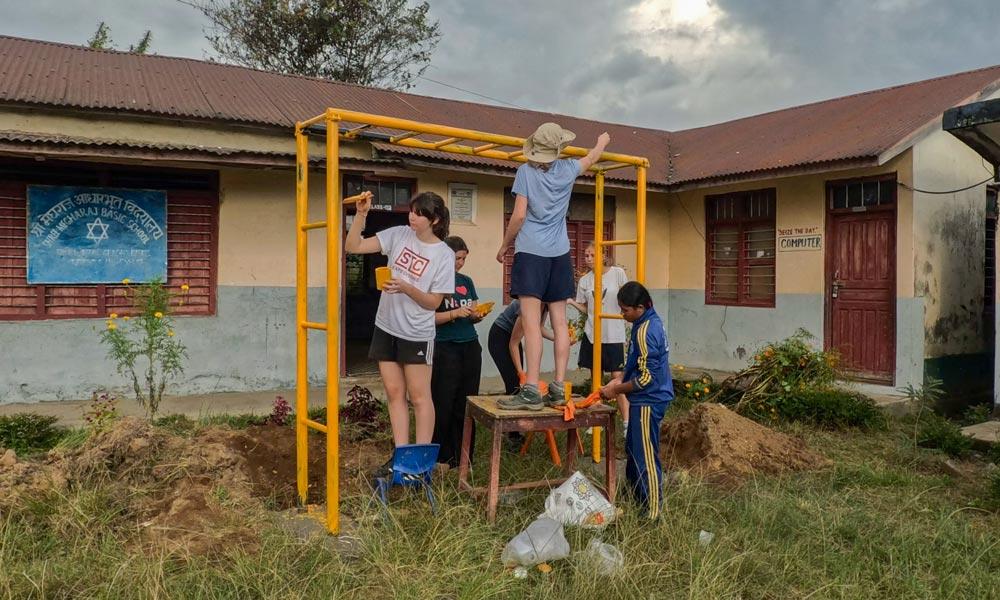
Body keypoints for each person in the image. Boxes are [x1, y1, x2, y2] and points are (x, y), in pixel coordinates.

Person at [496, 123, 611, 410]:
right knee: (559, 322)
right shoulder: (568, 169)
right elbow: (592, 157)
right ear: (558, 149)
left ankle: (532, 389)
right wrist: (601, 141)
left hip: (532, 253)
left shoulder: (525, 171)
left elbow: (519, 215)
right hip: (560, 253)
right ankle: (560, 387)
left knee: (532, 323)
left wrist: (504, 245)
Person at [345, 191, 454, 476]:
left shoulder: (444, 254)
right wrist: (361, 214)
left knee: (419, 397)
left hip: (417, 333)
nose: (412, 217)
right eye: (412, 211)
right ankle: (401, 459)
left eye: (419, 214)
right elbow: (353, 246)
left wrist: (405, 286)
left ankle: (420, 465)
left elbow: (433, 303)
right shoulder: (398, 234)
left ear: (435, 220)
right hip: (386, 327)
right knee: (395, 393)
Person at [599, 282, 673, 519]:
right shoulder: (646, 322)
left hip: (649, 400)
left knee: (645, 456)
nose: (622, 315)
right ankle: (635, 495)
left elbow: (646, 378)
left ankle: (652, 512)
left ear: (640, 307)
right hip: (643, 398)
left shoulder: (645, 331)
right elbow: (637, 365)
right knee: (633, 448)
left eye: (625, 310)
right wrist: (618, 380)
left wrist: (617, 390)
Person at [431, 236, 483, 469]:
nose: (460, 263)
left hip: (470, 346)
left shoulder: (466, 281)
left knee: (467, 402)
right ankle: (441, 456)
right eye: (457, 258)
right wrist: (453, 314)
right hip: (445, 347)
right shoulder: (433, 280)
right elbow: (427, 318)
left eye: (463, 259)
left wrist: (476, 315)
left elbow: (472, 310)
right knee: (443, 403)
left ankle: (463, 457)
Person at [569, 241, 629, 431]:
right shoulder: (586, 280)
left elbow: (626, 298)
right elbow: (586, 308)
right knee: (596, 377)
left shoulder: (617, 273)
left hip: (614, 333)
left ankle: (627, 422)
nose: (588, 259)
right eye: (586, 255)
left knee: (617, 377)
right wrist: (571, 302)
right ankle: (596, 421)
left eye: (592, 255)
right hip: (593, 333)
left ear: (603, 255)